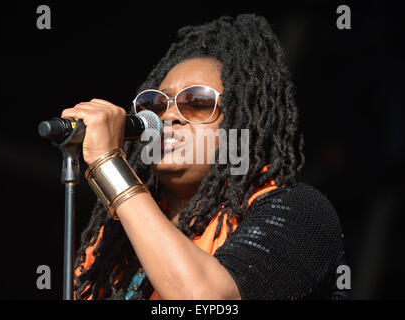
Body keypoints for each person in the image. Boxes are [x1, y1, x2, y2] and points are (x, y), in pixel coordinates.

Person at [61, 14, 347, 300]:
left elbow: (203, 299)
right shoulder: (116, 237)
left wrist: (109, 165)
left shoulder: (302, 213)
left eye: (197, 103)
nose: (169, 116)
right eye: (155, 105)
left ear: (240, 124)